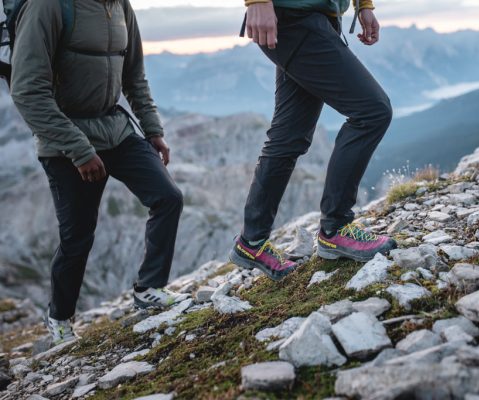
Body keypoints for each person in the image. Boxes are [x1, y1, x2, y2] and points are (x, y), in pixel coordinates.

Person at [10, 0, 190, 345]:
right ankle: (60, 318)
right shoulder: (48, 6)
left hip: (114, 129)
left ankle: (149, 288)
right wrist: (78, 149)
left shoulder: (120, 5)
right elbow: (26, 91)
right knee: (78, 237)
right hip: (65, 142)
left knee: (168, 197)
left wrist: (153, 130)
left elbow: (134, 74)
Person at [229, 0, 397, 280]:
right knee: (372, 111)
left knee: (288, 137)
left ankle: (252, 242)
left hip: (315, 17)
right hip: (295, 16)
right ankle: (335, 228)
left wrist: (363, 4)